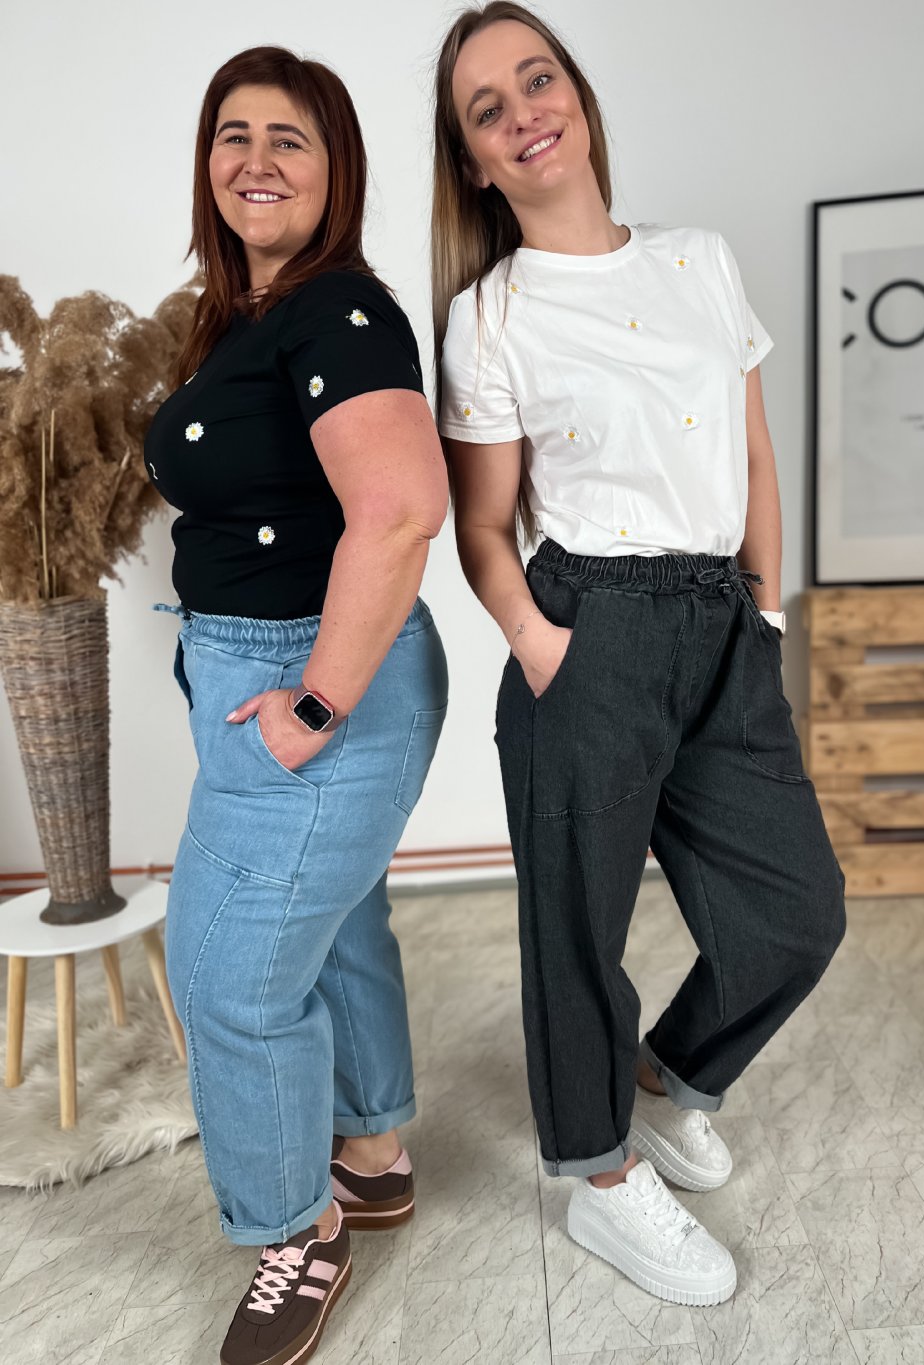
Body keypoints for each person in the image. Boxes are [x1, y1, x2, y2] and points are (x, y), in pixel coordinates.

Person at [432, 2, 846, 1306]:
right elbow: (484, 526)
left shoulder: (698, 259)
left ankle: (666, 1081)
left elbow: (755, 451)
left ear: (580, 96)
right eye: (487, 109)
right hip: (589, 627)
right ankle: (599, 1175)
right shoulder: (490, 316)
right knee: (579, 933)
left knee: (796, 913)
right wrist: (540, 644)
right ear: (474, 161)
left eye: (536, 79)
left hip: (722, 620)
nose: (523, 113)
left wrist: (763, 618)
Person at [146, 46, 448, 1365]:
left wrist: (313, 706)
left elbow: (402, 508)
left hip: (313, 674)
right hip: (260, 663)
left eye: (290, 139)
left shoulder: (338, 313)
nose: (256, 160)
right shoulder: (247, 315)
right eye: (234, 134)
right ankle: (370, 1158)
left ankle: (296, 1228)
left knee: (224, 974)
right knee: (331, 928)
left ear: (338, 173)